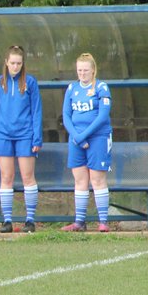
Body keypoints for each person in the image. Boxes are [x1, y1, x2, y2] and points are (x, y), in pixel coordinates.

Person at [0, 46, 43, 233]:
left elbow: (36, 111)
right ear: (6, 62)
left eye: (19, 63)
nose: (15, 66)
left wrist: (37, 138)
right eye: (12, 63)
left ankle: (30, 220)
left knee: (28, 177)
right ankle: (7, 220)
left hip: (25, 135)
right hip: (2, 135)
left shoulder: (30, 83)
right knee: (6, 177)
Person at [61, 52, 112, 232]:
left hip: (97, 138)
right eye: (79, 70)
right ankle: (79, 222)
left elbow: (102, 116)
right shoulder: (71, 89)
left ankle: (103, 221)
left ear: (93, 70)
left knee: (97, 179)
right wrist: (76, 135)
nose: (82, 73)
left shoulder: (101, 88)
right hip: (76, 138)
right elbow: (66, 116)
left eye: (85, 70)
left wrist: (84, 136)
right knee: (80, 180)